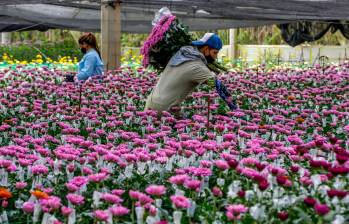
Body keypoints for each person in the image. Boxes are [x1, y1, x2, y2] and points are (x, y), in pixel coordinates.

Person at [145, 33, 222, 118]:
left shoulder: (182, 54)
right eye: (214, 53)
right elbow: (216, 85)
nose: (215, 57)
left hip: (150, 104)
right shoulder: (197, 66)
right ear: (206, 49)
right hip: (164, 112)